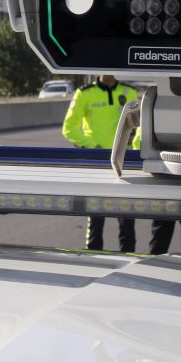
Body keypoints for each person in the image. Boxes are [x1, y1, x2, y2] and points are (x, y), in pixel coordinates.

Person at [63, 75, 138, 252]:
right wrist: (92, 146)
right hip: (97, 162)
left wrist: (135, 142)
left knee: (127, 220)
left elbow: (140, 126)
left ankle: (128, 259)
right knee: (96, 219)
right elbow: (69, 128)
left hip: (124, 162)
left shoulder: (129, 92)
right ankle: (94, 259)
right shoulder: (85, 93)